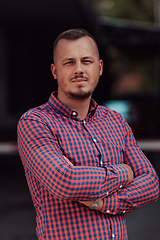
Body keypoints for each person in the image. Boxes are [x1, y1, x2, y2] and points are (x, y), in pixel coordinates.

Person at [17, 28, 159, 240]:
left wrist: (102, 203)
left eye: (86, 61)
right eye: (69, 62)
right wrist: (124, 173)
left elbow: (151, 183)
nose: (79, 69)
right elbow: (65, 181)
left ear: (99, 68)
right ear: (55, 71)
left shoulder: (116, 121)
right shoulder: (35, 122)